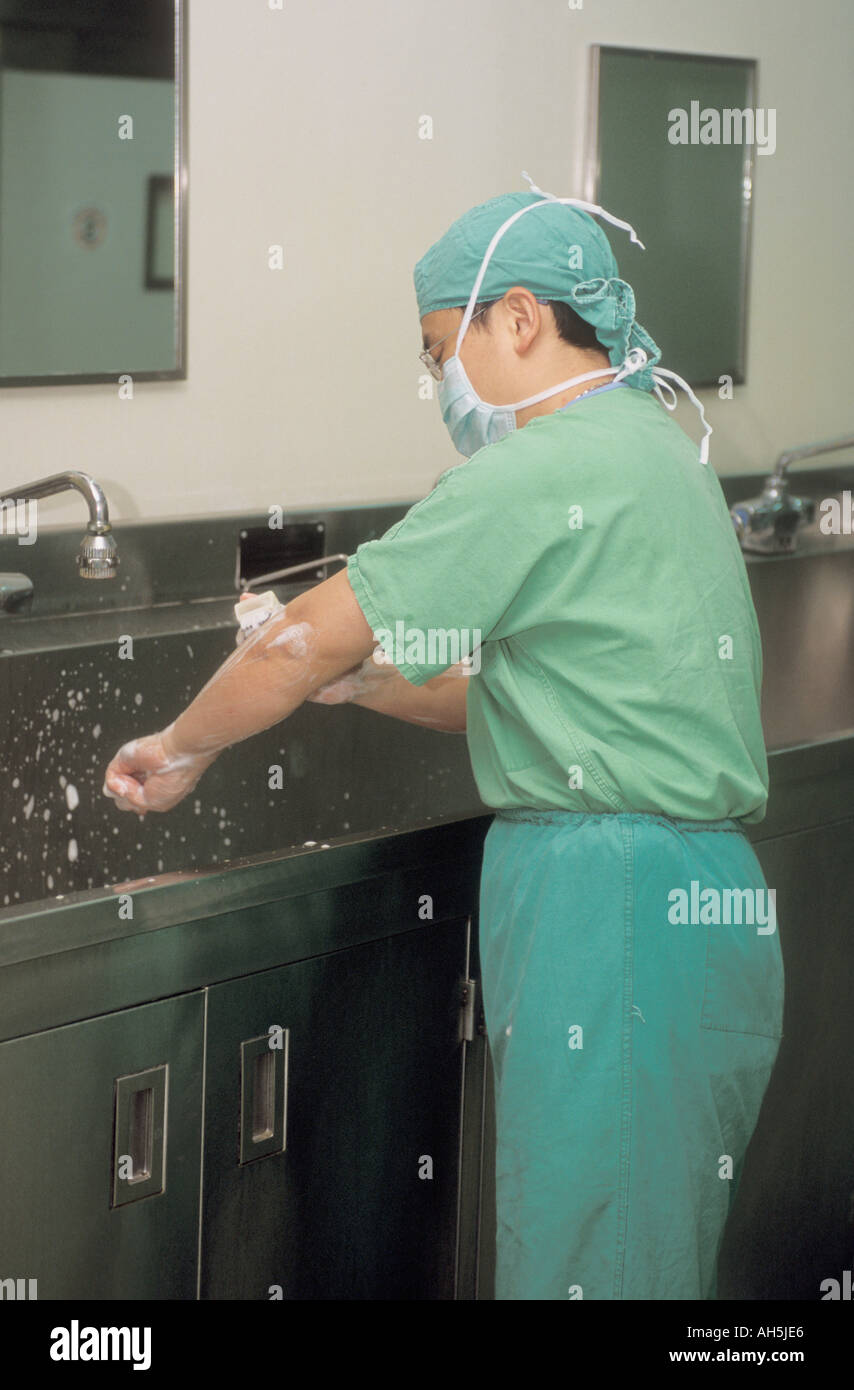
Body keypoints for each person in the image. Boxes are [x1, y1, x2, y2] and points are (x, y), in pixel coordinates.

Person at [104, 176, 784, 1301]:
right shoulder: (648, 450)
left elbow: (290, 645)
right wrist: (368, 683)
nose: (439, 385)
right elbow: (545, 698)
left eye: (439, 352)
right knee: (639, 1259)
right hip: (690, 916)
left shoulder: (544, 465)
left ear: (516, 317)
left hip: (608, 917)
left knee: (591, 1268)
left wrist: (177, 747)